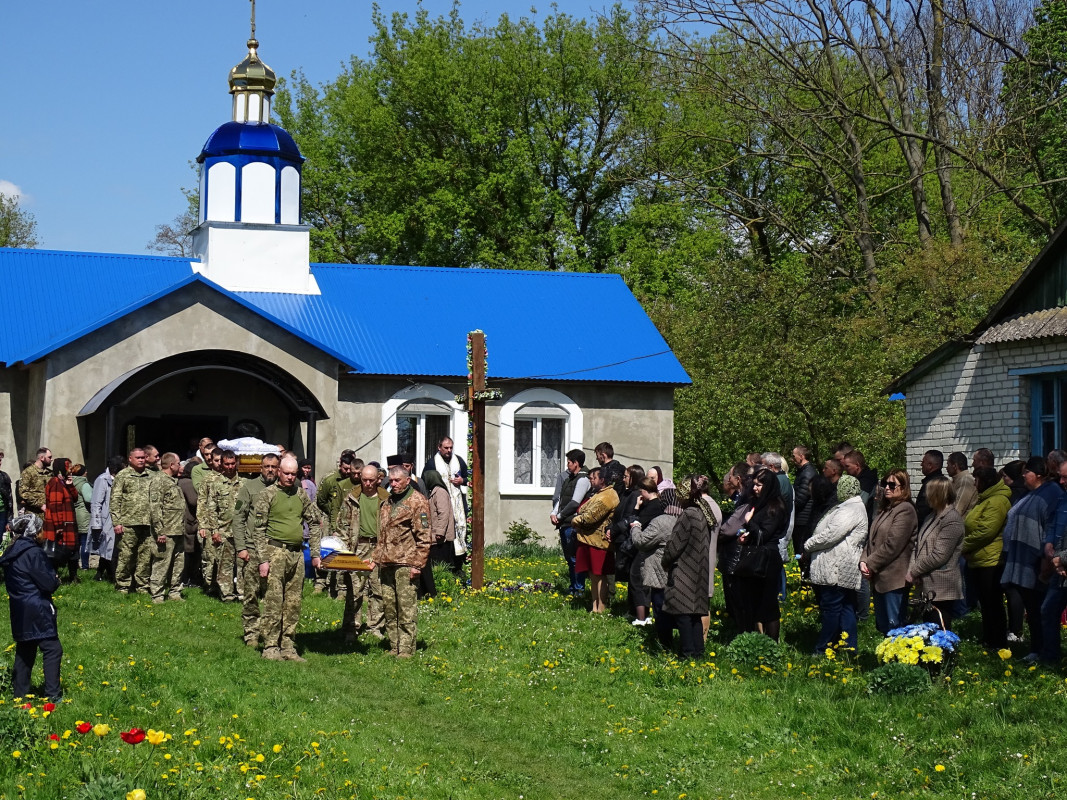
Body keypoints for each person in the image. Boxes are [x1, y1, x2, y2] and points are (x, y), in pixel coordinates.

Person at [249, 456, 325, 661]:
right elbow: (258, 530)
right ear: (279, 472)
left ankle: (288, 646)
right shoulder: (268, 494)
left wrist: (316, 553)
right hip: (275, 552)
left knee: (293, 603)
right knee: (274, 601)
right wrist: (263, 560)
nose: (290, 477)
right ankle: (271, 646)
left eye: (294, 474)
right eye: (287, 473)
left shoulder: (301, 494)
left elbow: (316, 521)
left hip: (297, 554)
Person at [366, 465, 432, 658]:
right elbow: (383, 535)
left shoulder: (418, 502)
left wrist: (418, 565)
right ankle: (394, 645)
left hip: (406, 563)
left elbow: (424, 535)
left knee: (405, 608)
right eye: (391, 480)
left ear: (408, 480)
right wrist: (375, 559)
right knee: (389, 606)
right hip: (387, 562)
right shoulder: (387, 502)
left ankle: (406, 649)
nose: (393, 484)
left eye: (397, 481)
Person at [1001, 456, 1063, 661]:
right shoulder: (1031, 493)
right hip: (1025, 559)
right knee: (1035, 609)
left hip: (1038, 561)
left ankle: (1043, 651)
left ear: (1038, 475)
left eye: (1026, 472)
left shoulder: (1051, 494)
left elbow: (1049, 527)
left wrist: (1046, 559)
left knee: (1039, 609)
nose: (1023, 476)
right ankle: (1037, 649)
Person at [804, 474, 868, 654]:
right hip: (840, 566)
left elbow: (832, 534)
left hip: (836, 567)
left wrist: (809, 544)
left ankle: (822, 647)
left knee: (831, 608)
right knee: (846, 607)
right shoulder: (850, 506)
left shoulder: (850, 509)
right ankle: (849, 646)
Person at [2, 513, 63, 700]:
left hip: (19, 607)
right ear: (34, 532)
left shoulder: (11, 552)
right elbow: (47, 583)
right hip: (37, 606)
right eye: (41, 529)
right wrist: (55, 580)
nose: (43, 533)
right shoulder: (33, 553)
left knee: (25, 650)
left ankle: (19, 694)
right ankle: (53, 695)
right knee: (53, 649)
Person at [860, 468, 918, 634]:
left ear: (903, 487)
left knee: (895, 627)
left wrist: (870, 564)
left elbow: (893, 545)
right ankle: (888, 659)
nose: (886, 487)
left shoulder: (906, 510)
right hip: (879, 577)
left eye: (892, 484)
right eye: (884, 483)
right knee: (883, 626)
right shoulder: (886, 509)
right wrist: (863, 560)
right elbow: (871, 540)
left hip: (894, 579)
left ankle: (898, 660)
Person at [661, 476, 713, 657]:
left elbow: (675, 544)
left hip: (685, 570)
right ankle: (698, 653)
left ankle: (687, 653)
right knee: (694, 615)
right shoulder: (702, 513)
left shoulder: (688, 514)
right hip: (699, 570)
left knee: (683, 614)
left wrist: (665, 561)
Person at [232, 453, 280, 647]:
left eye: (273, 467)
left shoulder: (283, 489)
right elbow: (238, 517)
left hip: (275, 550)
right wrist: (241, 547)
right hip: (252, 550)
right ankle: (251, 633)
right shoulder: (248, 488)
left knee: (273, 595)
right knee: (251, 594)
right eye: (267, 466)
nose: (270, 470)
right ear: (261, 467)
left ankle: (271, 632)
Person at [906, 475, 965, 629]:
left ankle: (946, 653)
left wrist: (914, 571)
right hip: (926, 582)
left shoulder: (952, 519)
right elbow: (918, 545)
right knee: (928, 628)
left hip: (942, 584)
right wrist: (915, 570)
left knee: (940, 628)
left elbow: (940, 554)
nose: (926, 496)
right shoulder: (931, 516)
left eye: (929, 492)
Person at [338, 464, 389, 643]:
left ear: (378, 479)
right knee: (355, 590)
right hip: (357, 547)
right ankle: (352, 627)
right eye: (364, 479)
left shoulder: (386, 499)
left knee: (378, 589)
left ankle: (375, 627)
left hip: (377, 548)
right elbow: (342, 525)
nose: (367, 483)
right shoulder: (351, 497)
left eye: (371, 480)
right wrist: (343, 550)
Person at [962, 466, 1010, 648]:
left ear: (985, 481)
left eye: (977, 480)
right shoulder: (985, 499)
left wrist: (963, 546)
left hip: (991, 560)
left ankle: (998, 641)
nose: (974, 484)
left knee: (993, 603)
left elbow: (986, 531)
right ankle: (989, 639)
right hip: (979, 558)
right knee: (986, 603)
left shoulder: (997, 501)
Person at [572, 467, 620, 613]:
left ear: (602, 480)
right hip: (589, 540)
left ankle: (601, 607)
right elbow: (582, 509)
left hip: (600, 542)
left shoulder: (608, 495)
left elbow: (590, 516)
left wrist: (575, 520)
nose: (591, 480)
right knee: (593, 576)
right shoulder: (598, 493)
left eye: (594, 478)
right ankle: (594, 606)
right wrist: (580, 516)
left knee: (600, 575)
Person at [197, 449, 242, 602]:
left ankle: (241, 593)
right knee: (225, 565)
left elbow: (248, 505)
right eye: (226, 464)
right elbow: (211, 508)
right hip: (223, 530)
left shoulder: (243, 482)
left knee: (242, 564)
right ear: (222, 464)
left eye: (232, 463)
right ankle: (227, 594)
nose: (230, 467)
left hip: (241, 531)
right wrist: (214, 530)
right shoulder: (215, 483)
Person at [111, 447, 154, 595]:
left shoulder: (151, 475)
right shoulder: (122, 476)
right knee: (126, 556)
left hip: (148, 523)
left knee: (145, 556)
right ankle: (122, 585)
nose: (141, 460)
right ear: (130, 459)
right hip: (128, 522)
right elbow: (115, 500)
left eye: (143, 457)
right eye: (138, 458)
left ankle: (142, 585)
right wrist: (116, 522)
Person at [628, 475, 670, 628]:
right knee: (644, 582)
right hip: (653, 546)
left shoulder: (652, 507)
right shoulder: (658, 505)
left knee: (637, 579)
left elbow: (636, 522)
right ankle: (645, 615)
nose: (640, 496)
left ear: (645, 491)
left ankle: (642, 618)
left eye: (641, 492)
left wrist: (636, 509)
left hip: (647, 546)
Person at [550, 449, 590, 596]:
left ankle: (579, 588)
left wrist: (560, 516)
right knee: (569, 558)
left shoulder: (583, 479)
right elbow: (561, 498)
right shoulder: (569, 478)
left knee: (575, 558)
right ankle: (573, 586)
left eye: (569, 462)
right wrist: (554, 513)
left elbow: (574, 503)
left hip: (572, 523)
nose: (567, 465)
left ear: (576, 463)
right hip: (564, 522)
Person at [424, 437, 469, 562]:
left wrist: (462, 481)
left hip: (458, 501)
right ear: (439, 447)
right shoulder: (432, 463)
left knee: (460, 528)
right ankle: (446, 562)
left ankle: (459, 561)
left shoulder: (458, 460)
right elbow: (426, 480)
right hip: (441, 502)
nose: (449, 450)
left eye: (451, 448)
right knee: (445, 531)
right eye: (446, 448)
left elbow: (470, 477)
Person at [148, 453, 185, 603]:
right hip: (166, 532)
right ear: (172, 465)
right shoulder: (159, 481)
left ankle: (175, 592)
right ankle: (157, 594)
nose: (180, 466)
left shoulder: (173, 481)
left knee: (178, 563)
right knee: (162, 563)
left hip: (177, 529)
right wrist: (160, 531)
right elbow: (155, 508)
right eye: (178, 463)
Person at [43, 457, 80, 583]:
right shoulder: (55, 483)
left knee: (72, 549)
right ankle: (54, 577)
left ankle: (73, 576)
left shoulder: (64, 483)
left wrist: (71, 486)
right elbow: (55, 506)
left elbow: (74, 498)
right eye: (67, 467)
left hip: (68, 523)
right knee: (57, 551)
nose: (70, 470)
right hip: (60, 524)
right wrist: (58, 526)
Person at [90, 455, 124, 582]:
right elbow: (96, 503)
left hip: (117, 518)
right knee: (109, 548)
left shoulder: (120, 479)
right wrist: (97, 523)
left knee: (110, 549)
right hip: (106, 519)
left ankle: (101, 574)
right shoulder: (102, 480)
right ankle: (113, 577)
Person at [423, 470, 461, 575]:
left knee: (441, 565)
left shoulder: (439, 492)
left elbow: (443, 513)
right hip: (435, 535)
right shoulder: (433, 492)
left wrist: (440, 532)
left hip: (441, 538)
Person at [177, 458, 201, 587]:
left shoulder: (180, 481)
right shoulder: (187, 483)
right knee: (190, 553)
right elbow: (194, 501)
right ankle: (187, 579)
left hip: (185, 522)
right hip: (189, 523)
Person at [791, 446, 818, 553]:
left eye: (794, 456)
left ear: (801, 456)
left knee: (801, 551)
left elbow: (801, 499)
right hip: (801, 518)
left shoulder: (808, 473)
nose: (792, 459)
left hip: (803, 520)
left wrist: (790, 507)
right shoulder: (803, 471)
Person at [69, 464, 93, 570]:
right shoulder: (84, 484)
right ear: (83, 473)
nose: (87, 472)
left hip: (73, 514)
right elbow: (89, 499)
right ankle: (85, 566)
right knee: (85, 542)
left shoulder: (70, 482)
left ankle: (74, 565)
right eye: (85, 471)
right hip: (84, 514)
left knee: (76, 542)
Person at [18, 448, 52, 521]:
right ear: (42, 458)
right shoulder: (28, 472)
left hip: (48, 513)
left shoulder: (50, 473)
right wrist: (40, 505)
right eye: (49, 457)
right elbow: (24, 493)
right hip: (34, 514)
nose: (51, 459)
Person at [914, 450, 945, 528]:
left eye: (923, 462)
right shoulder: (939, 481)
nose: (921, 464)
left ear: (930, 465)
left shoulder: (933, 484)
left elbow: (923, 510)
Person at [0, 448, 12, 538]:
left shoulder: (4, 476)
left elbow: (9, 500)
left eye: (0, 460)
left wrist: (9, 520)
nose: (0, 462)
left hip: (2, 514)